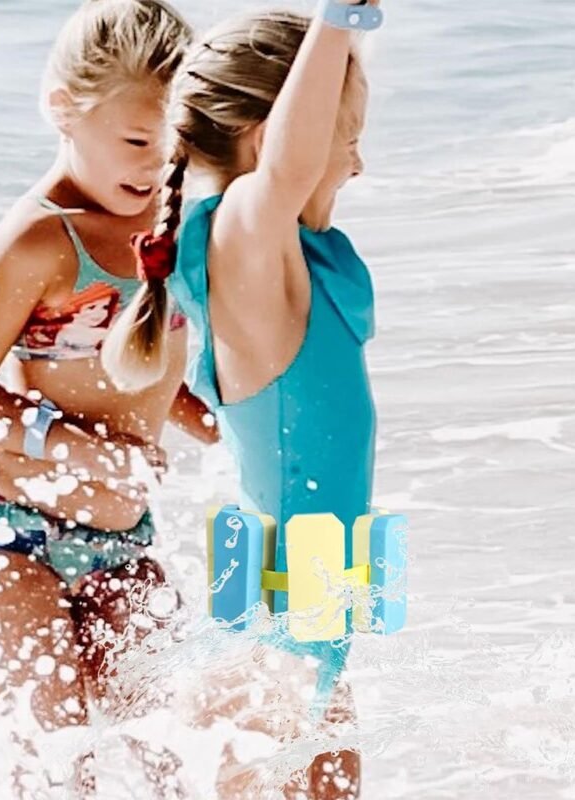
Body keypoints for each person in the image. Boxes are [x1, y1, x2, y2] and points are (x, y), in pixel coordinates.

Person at [0, 0, 216, 795]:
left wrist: (223, 424)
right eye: (137, 141)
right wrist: (81, 450)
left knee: (172, 765)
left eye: (176, 144)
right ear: (63, 109)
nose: (157, 165)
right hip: (6, 536)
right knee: (57, 776)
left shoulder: (174, 221)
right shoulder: (42, 240)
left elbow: (143, 367)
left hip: (123, 540)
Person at [103, 2, 383, 797]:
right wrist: (341, 19)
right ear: (274, 139)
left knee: (334, 781)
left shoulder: (283, 260)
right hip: (278, 621)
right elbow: (286, 170)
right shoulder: (243, 243)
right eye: (347, 138)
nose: (357, 165)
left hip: (302, 604)